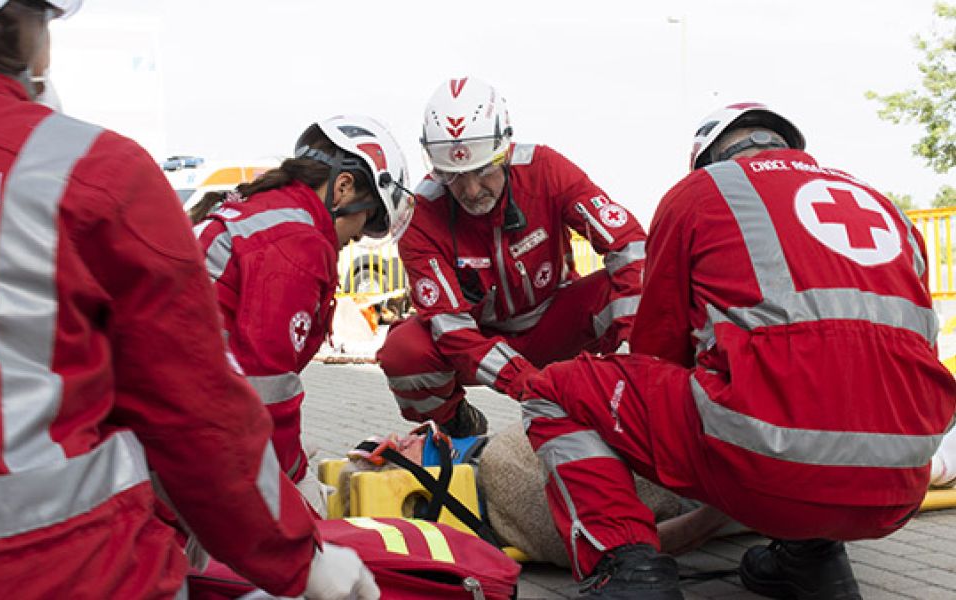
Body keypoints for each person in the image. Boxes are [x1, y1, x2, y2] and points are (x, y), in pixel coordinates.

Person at [0, 2, 378, 599]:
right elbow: (199, 411)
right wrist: (300, 556)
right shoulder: (90, 172)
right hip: (77, 572)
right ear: (23, 28)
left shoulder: (253, 213)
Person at [517, 102, 956, 599]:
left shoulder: (703, 191)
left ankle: (630, 571)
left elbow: (658, 351)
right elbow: (911, 356)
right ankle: (812, 562)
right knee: (836, 385)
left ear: (708, 157)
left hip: (766, 462)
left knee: (553, 389)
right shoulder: (884, 207)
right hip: (901, 480)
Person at [376, 76, 646, 437]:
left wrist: (639, 350)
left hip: (558, 320)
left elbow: (628, 246)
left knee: (629, 280)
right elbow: (451, 329)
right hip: (477, 341)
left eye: (483, 171)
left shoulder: (546, 170)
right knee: (403, 352)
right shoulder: (421, 213)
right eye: (453, 177)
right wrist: (527, 384)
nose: (471, 191)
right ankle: (457, 425)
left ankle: (638, 389)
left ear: (505, 151)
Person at [192, 114, 414, 514]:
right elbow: (268, 383)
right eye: (361, 228)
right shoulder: (299, 241)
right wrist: (292, 476)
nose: (352, 242)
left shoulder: (263, 210)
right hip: (187, 428)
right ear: (343, 188)